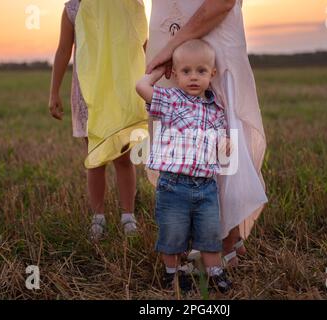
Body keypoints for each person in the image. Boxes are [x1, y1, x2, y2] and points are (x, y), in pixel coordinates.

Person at [145, 0, 268, 266]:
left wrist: (170, 47)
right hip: (179, 48)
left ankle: (220, 242)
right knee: (188, 138)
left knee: (218, 140)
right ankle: (227, 239)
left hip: (207, 44)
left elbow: (221, 3)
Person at [136, 39, 232, 293]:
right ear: (176, 74)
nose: (193, 77)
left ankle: (214, 271)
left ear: (212, 74)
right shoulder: (170, 99)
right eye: (186, 71)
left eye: (201, 71)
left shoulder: (216, 108)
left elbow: (221, 137)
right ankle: (173, 273)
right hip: (173, 186)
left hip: (206, 187)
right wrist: (161, 68)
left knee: (210, 234)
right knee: (173, 235)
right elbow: (141, 85)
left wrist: (224, 142)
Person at [48, 0, 148, 240]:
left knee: (124, 158)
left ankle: (128, 217)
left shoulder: (130, 3)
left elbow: (143, 44)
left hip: (121, 91)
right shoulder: (72, 8)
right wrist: (54, 92)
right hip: (88, 94)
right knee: (95, 159)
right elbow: (63, 50)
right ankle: (98, 219)